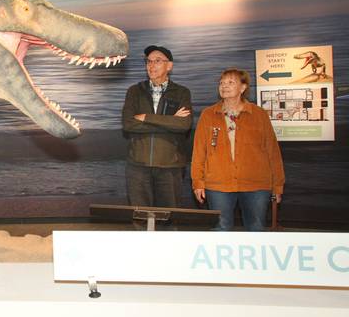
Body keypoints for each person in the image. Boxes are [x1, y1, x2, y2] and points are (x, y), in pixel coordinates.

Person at [191, 68, 284, 231]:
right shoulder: (208, 115)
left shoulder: (259, 115)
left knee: (256, 228)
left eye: (230, 82)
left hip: (256, 185)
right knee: (221, 228)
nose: (224, 86)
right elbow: (199, 152)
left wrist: (278, 185)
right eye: (221, 83)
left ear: (243, 88)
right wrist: (198, 182)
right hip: (218, 185)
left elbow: (273, 152)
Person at [122, 45, 192, 209]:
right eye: (148, 61)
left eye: (158, 61)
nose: (151, 65)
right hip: (138, 165)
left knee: (169, 217)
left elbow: (183, 125)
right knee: (140, 216)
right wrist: (169, 121)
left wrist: (147, 118)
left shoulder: (181, 92)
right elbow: (128, 124)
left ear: (169, 65)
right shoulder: (134, 91)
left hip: (170, 166)